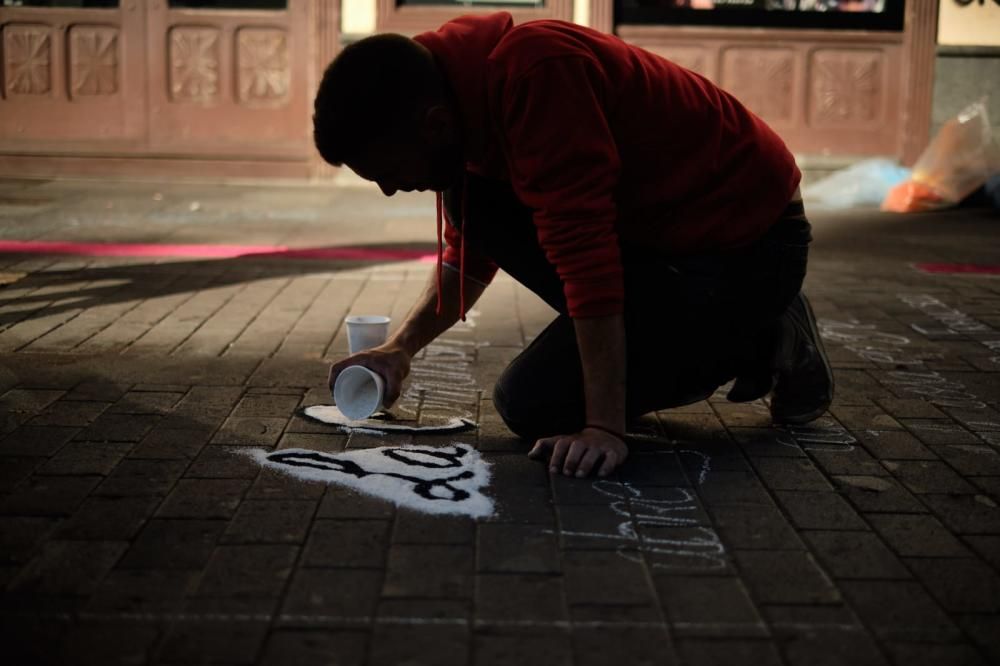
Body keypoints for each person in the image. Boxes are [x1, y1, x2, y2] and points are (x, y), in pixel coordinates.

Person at [312, 12, 833, 479]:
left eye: (388, 171)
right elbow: (469, 253)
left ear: (435, 124)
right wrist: (398, 348)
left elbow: (587, 259)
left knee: (535, 407)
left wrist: (604, 428)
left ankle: (769, 335)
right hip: (668, 243)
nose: (388, 189)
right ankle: (714, 331)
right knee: (484, 217)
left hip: (751, 247)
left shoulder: (539, 75)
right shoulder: (455, 99)